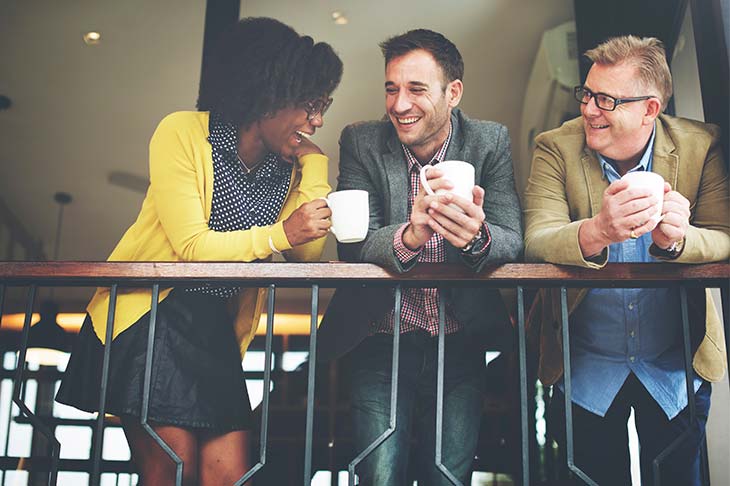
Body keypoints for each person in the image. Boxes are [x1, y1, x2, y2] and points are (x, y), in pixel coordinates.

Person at [56, 17, 342, 486]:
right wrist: (277, 235)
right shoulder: (184, 133)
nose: (318, 119)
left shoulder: (287, 165)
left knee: (227, 475)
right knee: (172, 469)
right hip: (153, 313)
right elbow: (191, 247)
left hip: (214, 328)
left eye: (322, 105)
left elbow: (306, 252)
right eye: (310, 104)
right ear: (269, 94)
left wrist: (316, 164)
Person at [318, 29, 523, 485]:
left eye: (416, 89)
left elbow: (513, 238)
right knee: (378, 476)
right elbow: (354, 243)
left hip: (461, 337)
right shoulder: (362, 141)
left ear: (454, 93)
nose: (399, 104)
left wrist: (476, 237)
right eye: (391, 88)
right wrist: (410, 235)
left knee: (447, 477)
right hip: (380, 336)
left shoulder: (489, 141)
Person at [523, 35, 729, 485]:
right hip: (585, 372)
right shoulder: (554, 147)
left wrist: (678, 240)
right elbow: (536, 238)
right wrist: (598, 231)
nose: (590, 109)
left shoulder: (700, 145)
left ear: (650, 109)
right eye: (588, 94)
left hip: (674, 371)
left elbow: (723, 236)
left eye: (607, 99)